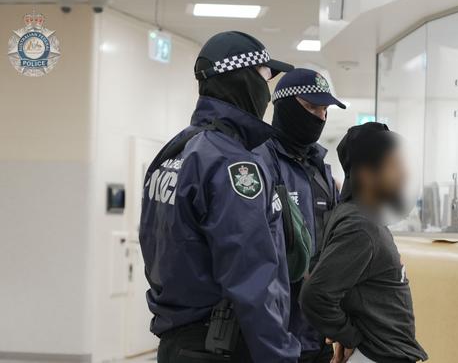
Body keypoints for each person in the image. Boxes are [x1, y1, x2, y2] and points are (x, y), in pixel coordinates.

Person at [139, 31, 300, 363]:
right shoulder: (233, 164)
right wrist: (281, 356)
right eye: (264, 78)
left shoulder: (176, 151)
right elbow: (251, 280)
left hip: (177, 342)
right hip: (222, 345)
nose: (267, 94)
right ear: (242, 79)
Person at [300, 123, 428, 363]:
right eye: (395, 165)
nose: (405, 174)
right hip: (378, 355)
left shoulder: (362, 218)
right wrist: (350, 337)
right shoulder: (361, 226)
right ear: (367, 174)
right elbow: (316, 295)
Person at [254, 68, 345, 362]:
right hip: (275, 337)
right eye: (310, 106)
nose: (319, 116)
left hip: (317, 334)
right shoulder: (259, 162)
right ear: (284, 106)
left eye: (324, 109)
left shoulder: (322, 171)